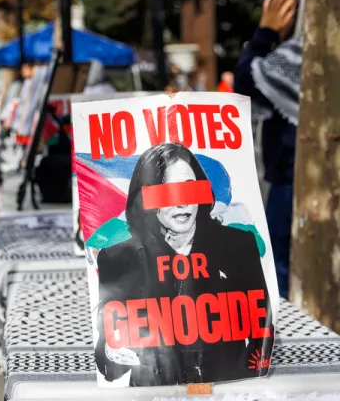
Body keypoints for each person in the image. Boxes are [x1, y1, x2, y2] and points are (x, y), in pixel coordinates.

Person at [94, 143, 274, 386]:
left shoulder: (239, 246)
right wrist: (111, 351)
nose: (182, 203)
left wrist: (244, 385)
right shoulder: (117, 258)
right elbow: (108, 366)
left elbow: (261, 331)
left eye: (191, 190)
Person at [234, 0, 303, 299]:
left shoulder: (301, 54)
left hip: (293, 186)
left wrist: (265, 32)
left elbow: (246, 82)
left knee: (284, 281)